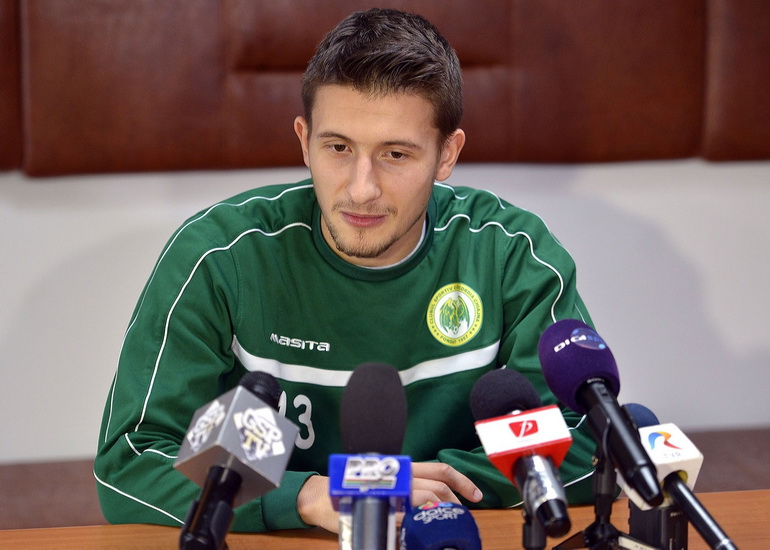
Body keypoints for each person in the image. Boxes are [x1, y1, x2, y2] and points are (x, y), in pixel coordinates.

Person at [94, 7, 598, 534]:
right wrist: (305, 494)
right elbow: (132, 462)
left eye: (395, 154)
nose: (361, 189)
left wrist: (400, 489)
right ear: (303, 140)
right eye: (338, 148)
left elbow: (586, 436)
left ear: (447, 154)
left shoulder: (508, 254)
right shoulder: (223, 258)